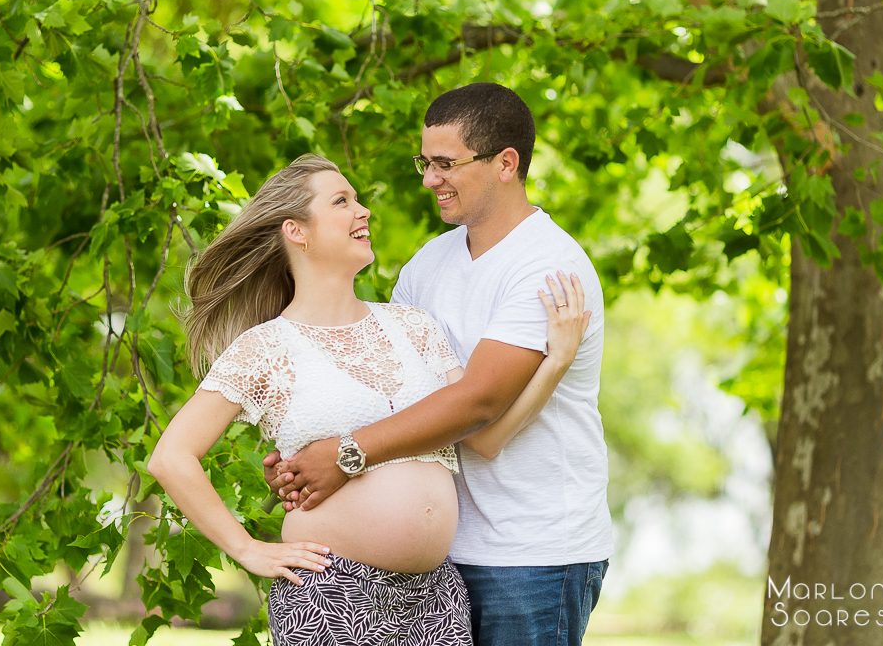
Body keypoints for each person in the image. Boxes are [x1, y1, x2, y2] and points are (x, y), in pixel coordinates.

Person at [148, 153, 591, 646]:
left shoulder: (414, 326)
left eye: (358, 200)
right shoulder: (265, 348)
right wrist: (247, 548)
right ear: (298, 231)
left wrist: (555, 365)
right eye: (342, 201)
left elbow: (484, 436)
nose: (363, 212)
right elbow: (171, 457)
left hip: (436, 597)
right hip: (330, 593)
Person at [271, 83, 612, 646]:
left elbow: (477, 406)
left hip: (531, 555)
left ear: (506, 164)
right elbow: (387, 382)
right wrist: (303, 450)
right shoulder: (432, 261)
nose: (429, 179)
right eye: (424, 162)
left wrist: (346, 454)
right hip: (442, 566)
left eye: (446, 164)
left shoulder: (546, 268)